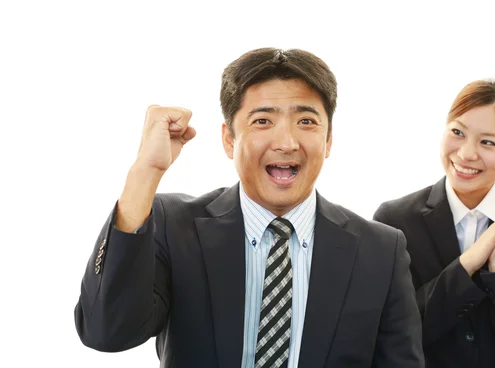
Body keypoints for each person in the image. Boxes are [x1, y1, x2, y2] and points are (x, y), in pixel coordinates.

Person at [74, 48, 425, 368]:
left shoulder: (381, 250)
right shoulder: (174, 225)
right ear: (229, 139)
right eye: (262, 121)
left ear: (329, 139)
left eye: (306, 121)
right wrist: (144, 175)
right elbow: (107, 331)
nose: (286, 142)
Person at [373, 79, 495, 368]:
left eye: (487, 142)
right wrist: (471, 261)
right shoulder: (394, 221)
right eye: (457, 132)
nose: (466, 153)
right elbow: (392, 336)